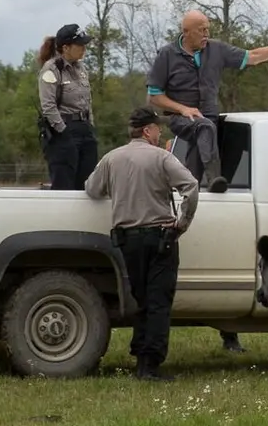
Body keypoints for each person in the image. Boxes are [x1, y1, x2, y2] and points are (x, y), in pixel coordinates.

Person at [144, 9, 268, 353]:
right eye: (201, 29)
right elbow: (154, 95)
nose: (207, 33)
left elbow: (252, 57)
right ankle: (214, 178)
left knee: (210, 132)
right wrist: (182, 109)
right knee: (202, 127)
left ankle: (208, 185)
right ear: (186, 31)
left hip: (211, 124)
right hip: (185, 122)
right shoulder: (167, 55)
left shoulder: (215, 50)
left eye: (208, 28)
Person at [85, 106, 200, 382]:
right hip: (161, 237)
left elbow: (92, 188)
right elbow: (191, 186)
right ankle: (150, 365)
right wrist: (182, 223)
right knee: (159, 300)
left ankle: (141, 356)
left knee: (141, 298)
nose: (160, 134)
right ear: (147, 130)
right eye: (158, 129)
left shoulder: (112, 159)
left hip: (127, 241)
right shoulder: (161, 158)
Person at [37, 23, 98, 190]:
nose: (83, 49)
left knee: (87, 184)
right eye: (79, 45)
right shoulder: (52, 69)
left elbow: (88, 100)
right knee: (64, 183)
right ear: (66, 47)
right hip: (63, 130)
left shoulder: (81, 68)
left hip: (84, 129)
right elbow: (48, 106)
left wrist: (90, 125)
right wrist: (63, 133)